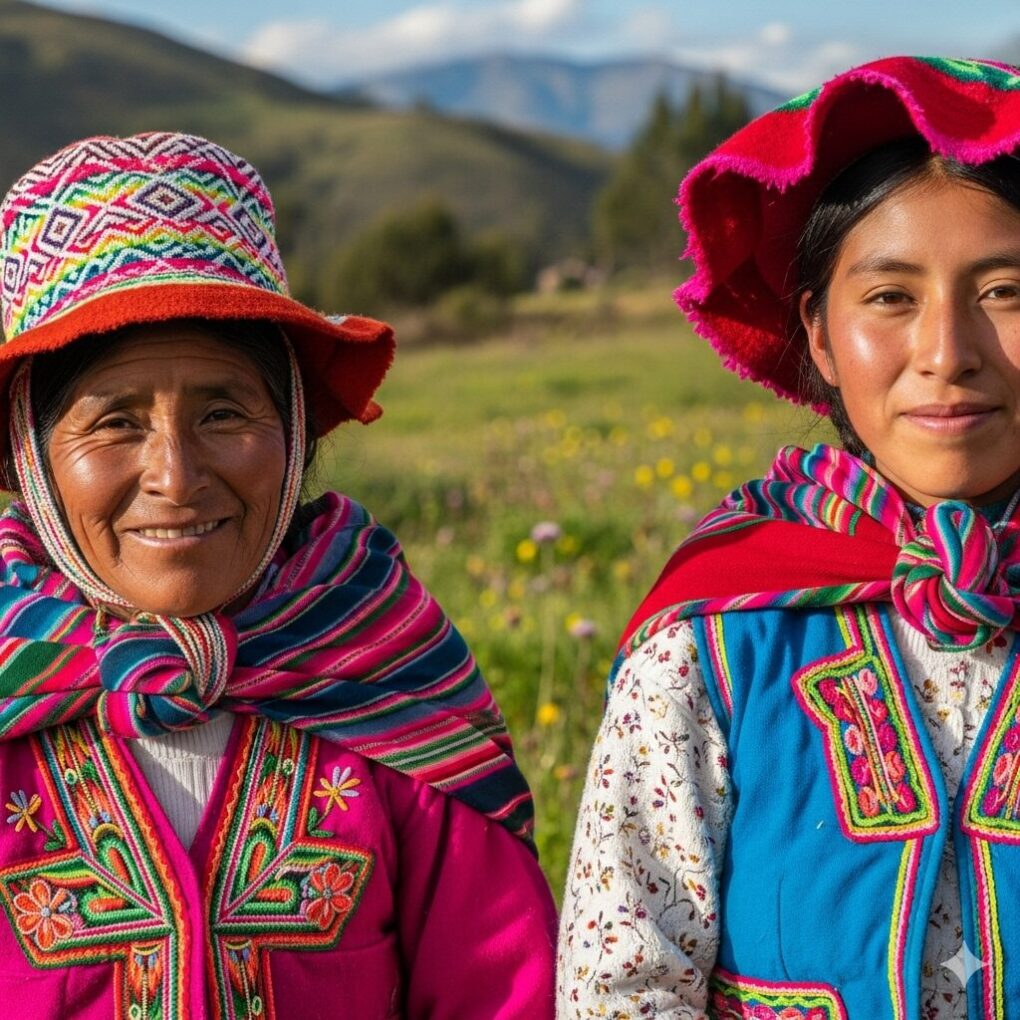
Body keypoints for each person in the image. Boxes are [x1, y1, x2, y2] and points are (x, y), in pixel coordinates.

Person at [0, 132, 556, 1018]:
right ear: (30, 458)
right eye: (114, 423)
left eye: (225, 412)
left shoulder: (391, 679)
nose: (175, 477)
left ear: (294, 435)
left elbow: (504, 994)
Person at [558, 56, 1020, 1018]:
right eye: (891, 298)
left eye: (1007, 291)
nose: (947, 353)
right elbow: (625, 982)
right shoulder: (714, 637)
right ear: (817, 332)